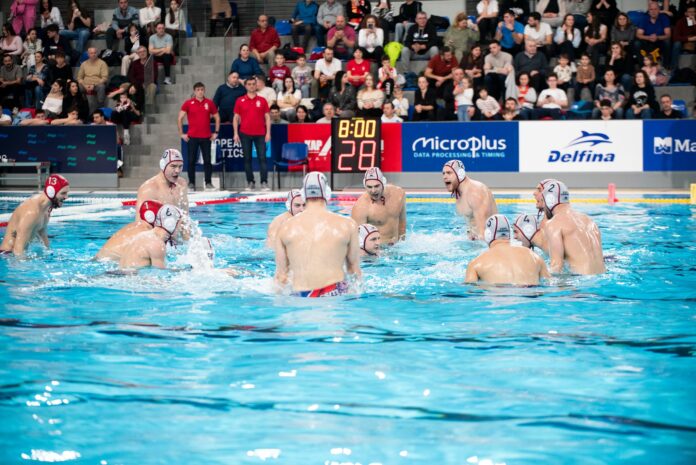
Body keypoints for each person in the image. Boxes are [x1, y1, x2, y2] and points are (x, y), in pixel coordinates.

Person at [275, 172, 361, 297]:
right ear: (327, 193)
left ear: (303, 195)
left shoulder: (285, 228)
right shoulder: (348, 225)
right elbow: (353, 270)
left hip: (300, 296)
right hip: (334, 294)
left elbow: (281, 277)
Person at [540, 180, 606, 275]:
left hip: (582, 281)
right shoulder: (590, 221)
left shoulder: (553, 224)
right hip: (602, 277)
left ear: (549, 200)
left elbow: (556, 266)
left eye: (543, 201)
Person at [465, 214, 550, 285]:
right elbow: (549, 282)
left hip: (500, 296)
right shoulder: (535, 257)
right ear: (509, 233)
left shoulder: (476, 264)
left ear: (488, 234)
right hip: (530, 295)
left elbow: (470, 292)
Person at [0, 174, 69, 256]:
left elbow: (42, 235)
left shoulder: (46, 209)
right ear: (51, 192)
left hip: (17, 253)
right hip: (7, 254)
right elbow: (18, 249)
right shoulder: (32, 213)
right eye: (63, 193)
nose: (66, 197)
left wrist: (50, 256)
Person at [178, 82, 220, 190]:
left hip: (206, 137)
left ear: (204, 90)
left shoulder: (209, 103)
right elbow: (180, 118)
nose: (200, 92)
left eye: (202, 89)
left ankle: (208, 183)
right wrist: (181, 133)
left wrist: (216, 132)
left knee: (207, 161)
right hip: (192, 137)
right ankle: (191, 183)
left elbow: (217, 117)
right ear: (194, 91)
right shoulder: (188, 103)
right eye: (198, 90)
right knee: (191, 161)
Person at [442, 160, 498, 240]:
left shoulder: (475, 192)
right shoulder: (459, 194)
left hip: (491, 242)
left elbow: (483, 234)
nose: (445, 176)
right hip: (476, 241)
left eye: (449, 173)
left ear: (460, 174)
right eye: (443, 173)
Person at [350, 167, 406, 244]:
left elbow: (402, 223)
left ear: (383, 183)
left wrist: (402, 244)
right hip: (379, 249)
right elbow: (358, 240)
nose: (373, 191)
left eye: (376, 186)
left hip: (398, 246)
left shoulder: (399, 194)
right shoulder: (360, 208)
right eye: (369, 187)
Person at [233, 77, 271, 191]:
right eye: (249, 84)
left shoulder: (262, 100)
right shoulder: (240, 100)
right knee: (247, 159)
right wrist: (235, 133)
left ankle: (264, 182)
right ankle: (250, 182)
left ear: (256, 85)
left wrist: (268, 133)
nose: (251, 86)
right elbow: (236, 118)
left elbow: (267, 117)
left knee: (262, 158)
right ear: (245, 86)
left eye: (253, 84)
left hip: (260, 134)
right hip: (245, 133)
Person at [118, 204, 183, 270]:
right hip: (134, 275)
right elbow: (160, 273)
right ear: (171, 224)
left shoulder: (142, 235)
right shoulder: (157, 244)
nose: (181, 229)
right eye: (180, 225)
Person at [96, 200, 162, 261]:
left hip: (98, 259)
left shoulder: (134, 225)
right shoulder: (146, 232)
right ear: (151, 216)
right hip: (111, 263)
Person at [136, 148, 189, 215]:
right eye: (173, 166)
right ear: (163, 165)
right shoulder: (148, 189)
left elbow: (185, 216)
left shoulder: (182, 184)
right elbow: (141, 221)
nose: (177, 171)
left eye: (180, 166)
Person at [636, 2, 672, 68]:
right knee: (636, 43)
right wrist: (648, 37)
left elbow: (668, 34)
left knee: (667, 41)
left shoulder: (664, 18)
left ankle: (666, 66)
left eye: (655, 9)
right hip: (647, 41)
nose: (653, 11)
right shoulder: (644, 18)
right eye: (651, 9)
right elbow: (638, 34)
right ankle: (642, 66)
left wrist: (657, 37)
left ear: (659, 10)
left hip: (659, 40)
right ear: (648, 11)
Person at [424, 46, 457, 117]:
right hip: (435, 78)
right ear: (442, 56)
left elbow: (455, 73)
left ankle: (448, 107)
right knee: (429, 82)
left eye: (450, 55)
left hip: (447, 78)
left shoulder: (453, 58)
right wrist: (438, 78)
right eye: (447, 55)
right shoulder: (435, 59)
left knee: (452, 82)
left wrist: (443, 79)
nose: (450, 57)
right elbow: (427, 73)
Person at [77, 47, 108, 113]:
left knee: (101, 87)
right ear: (88, 54)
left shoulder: (102, 63)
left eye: (95, 53)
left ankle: (100, 107)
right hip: (85, 84)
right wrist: (84, 85)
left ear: (97, 54)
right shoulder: (84, 64)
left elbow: (104, 78)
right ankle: (80, 106)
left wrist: (94, 85)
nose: (93, 54)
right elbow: (79, 78)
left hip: (97, 84)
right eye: (91, 53)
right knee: (76, 86)